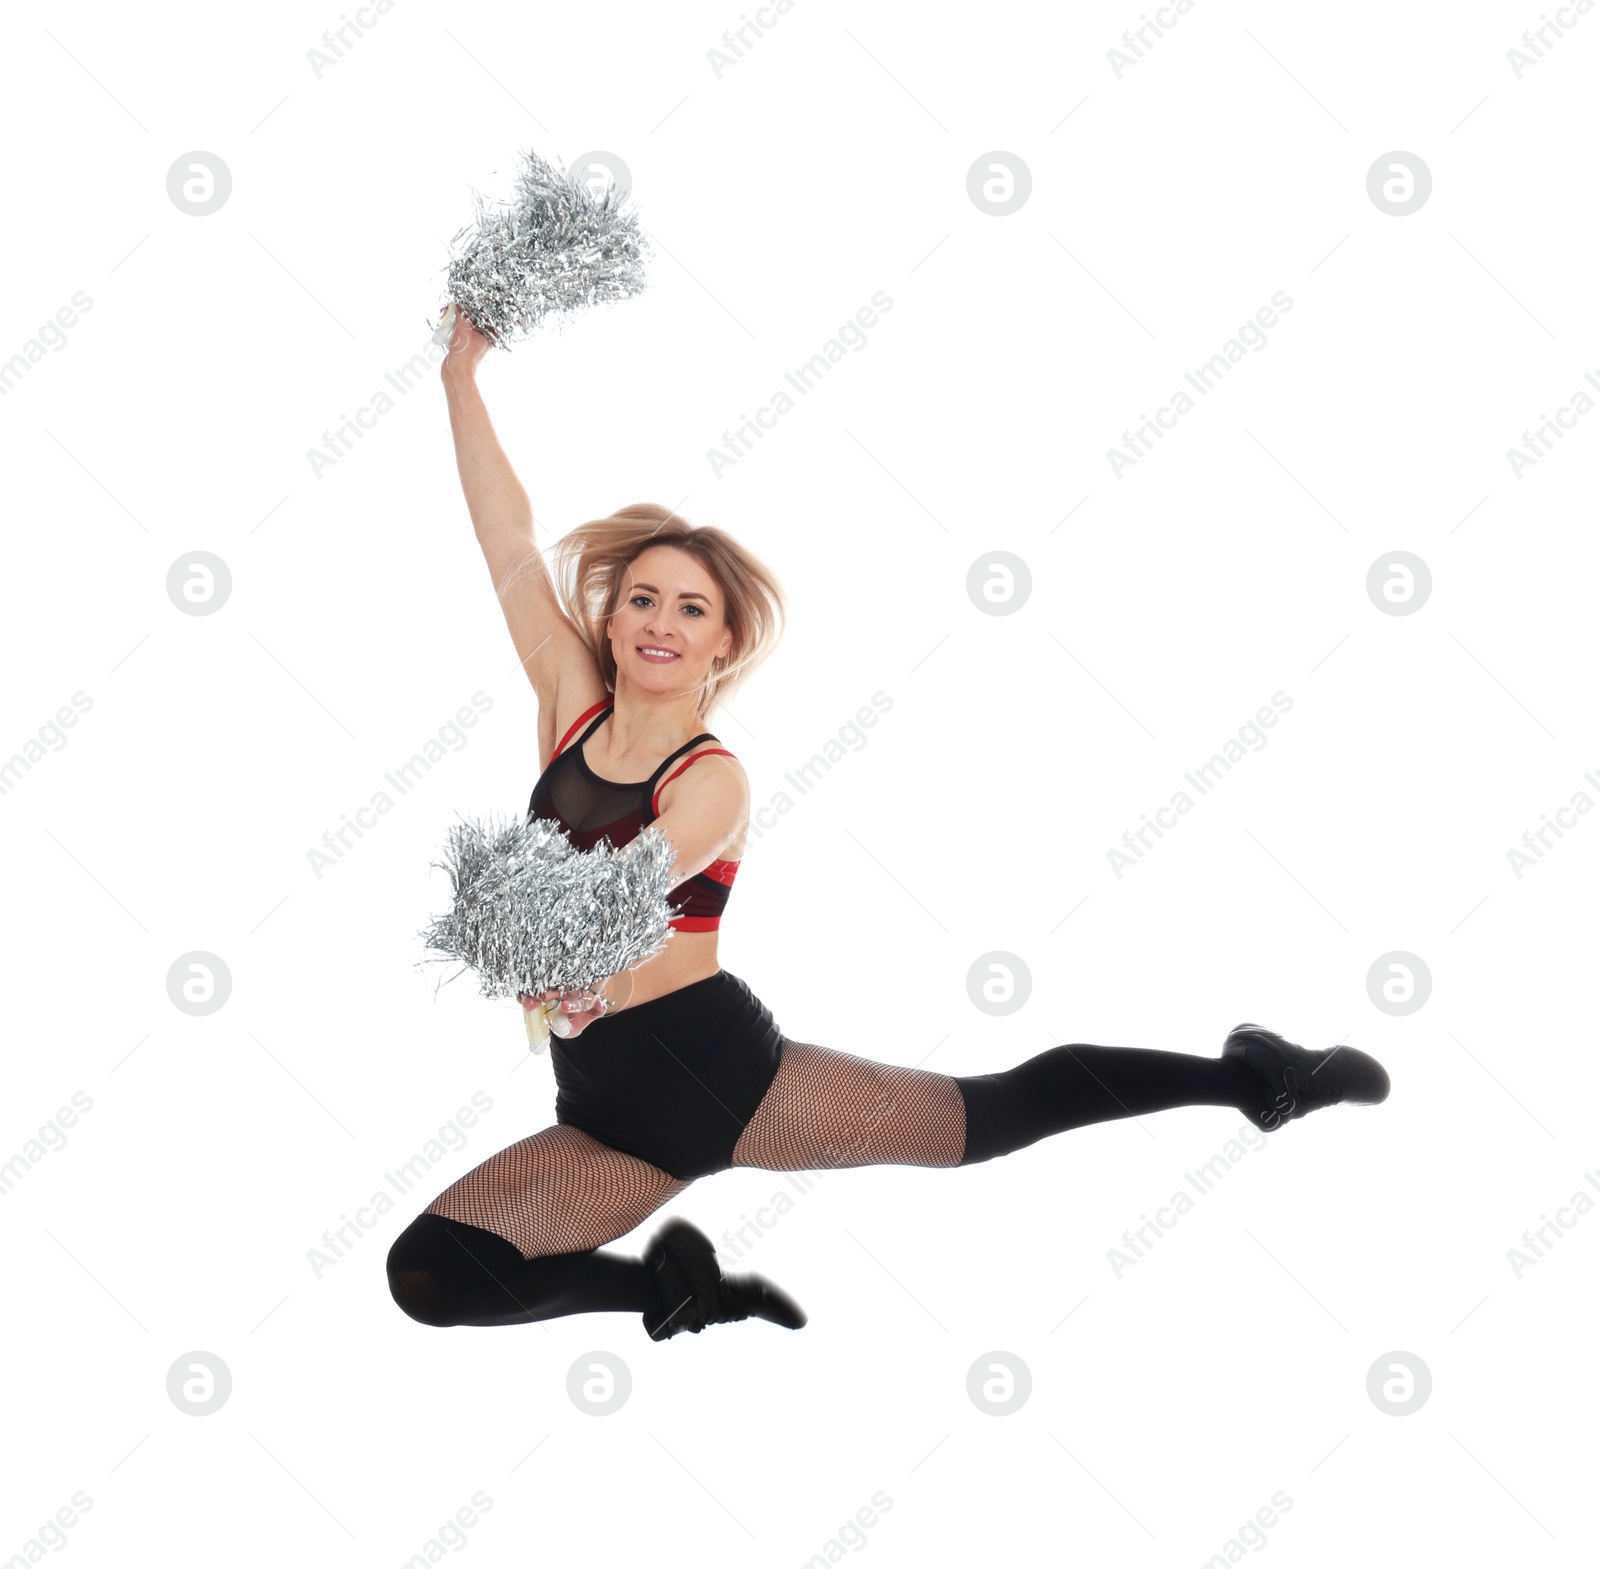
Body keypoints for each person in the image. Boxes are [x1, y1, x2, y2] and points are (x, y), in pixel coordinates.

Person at [386, 309, 1391, 1343]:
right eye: (642, 599)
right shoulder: (569, 707)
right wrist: (463, 373)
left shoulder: (712, 782)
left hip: (719, 1082)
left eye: (691, 609)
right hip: (601, 1113)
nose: (659, 622)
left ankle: (1261, 1076)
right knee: (432, 1276)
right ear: (607, 618)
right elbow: (504, 535)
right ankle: (675, 1293)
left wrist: (554, 968)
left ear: (724, 642)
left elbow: (625, 896)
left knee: (986, 1116)